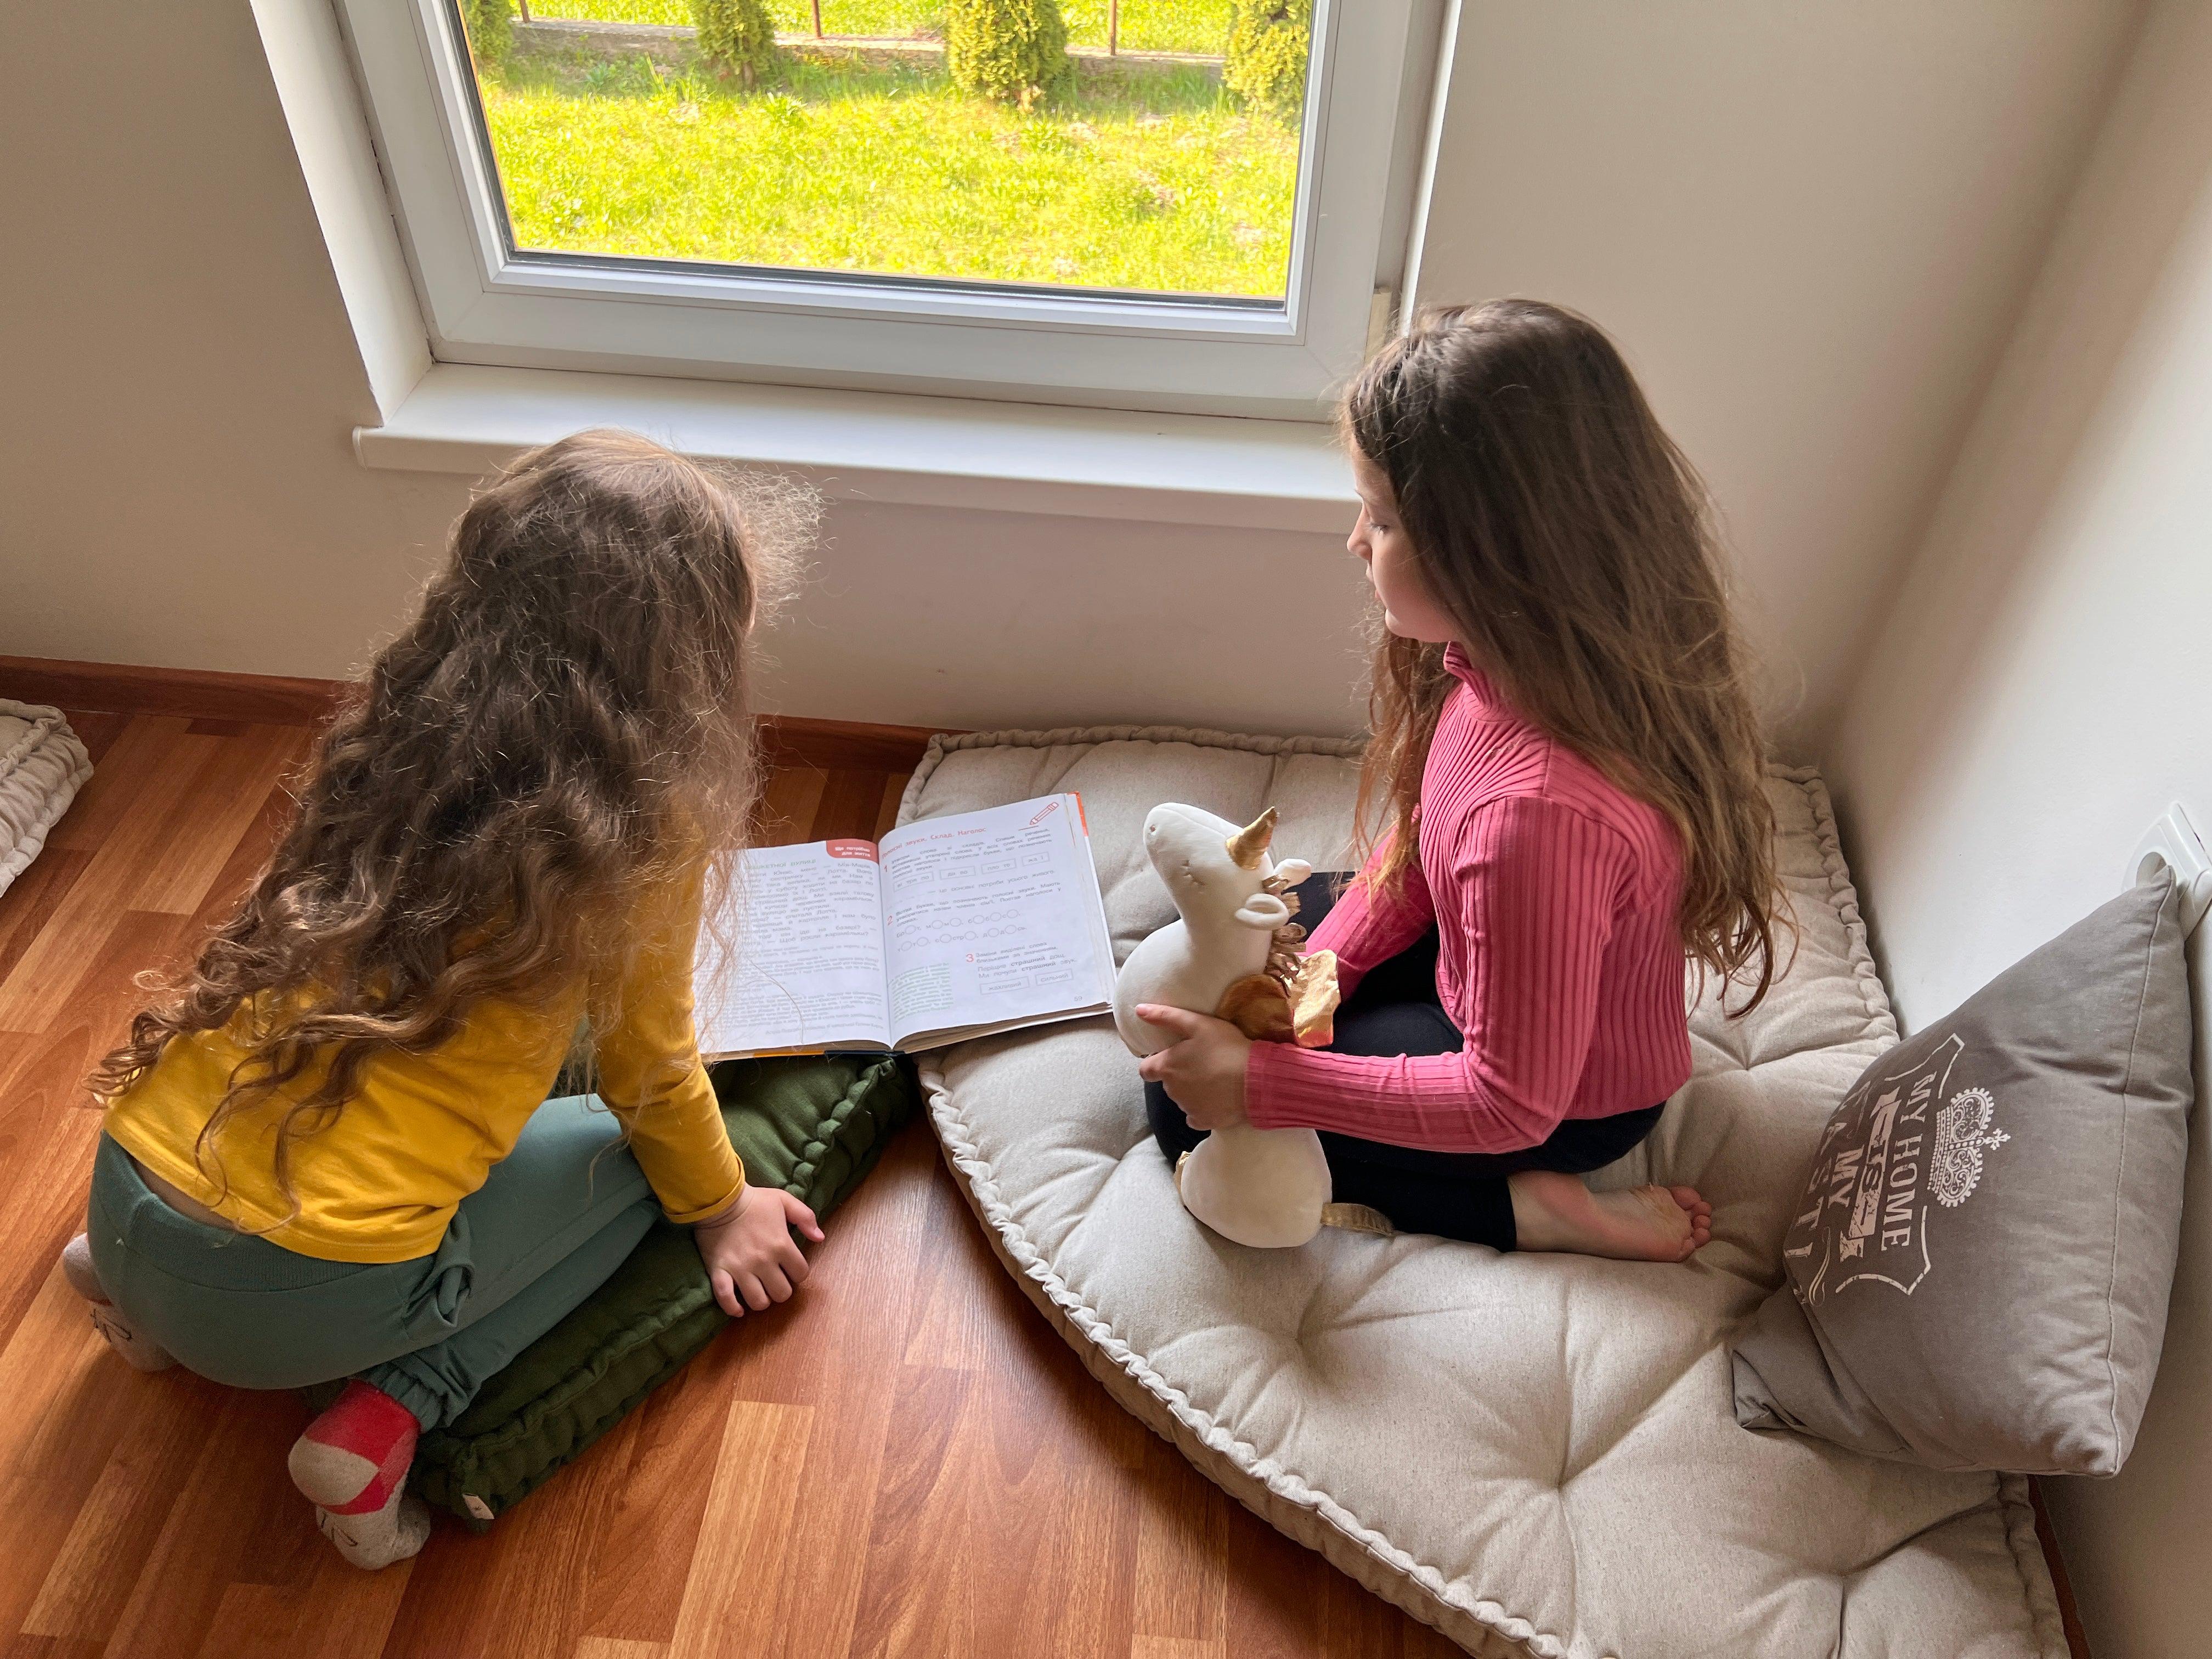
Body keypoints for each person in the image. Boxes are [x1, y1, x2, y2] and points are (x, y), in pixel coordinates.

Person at [66, 431, 820, 1568]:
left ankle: (133, 1302)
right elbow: (650, 1074)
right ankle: (389, 1420)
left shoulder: (392, 736)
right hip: (289, 1305)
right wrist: (723, 1207)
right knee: (637, 1164)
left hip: (122, 1199)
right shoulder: (645, 826)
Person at [1138, 300, 1790, 1262]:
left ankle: (1537, 1213)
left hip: (1564, 1105)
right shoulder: (1503, 667)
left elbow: (1507, 1102)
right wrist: (1316, 981)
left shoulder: (1537, 814)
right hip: (1483, 964)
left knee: (1185, 1110)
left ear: (1492, 554)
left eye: (1383, 517)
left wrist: (1262, 1082)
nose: (1356, 540)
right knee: (1229, 954)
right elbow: (1418, 854)